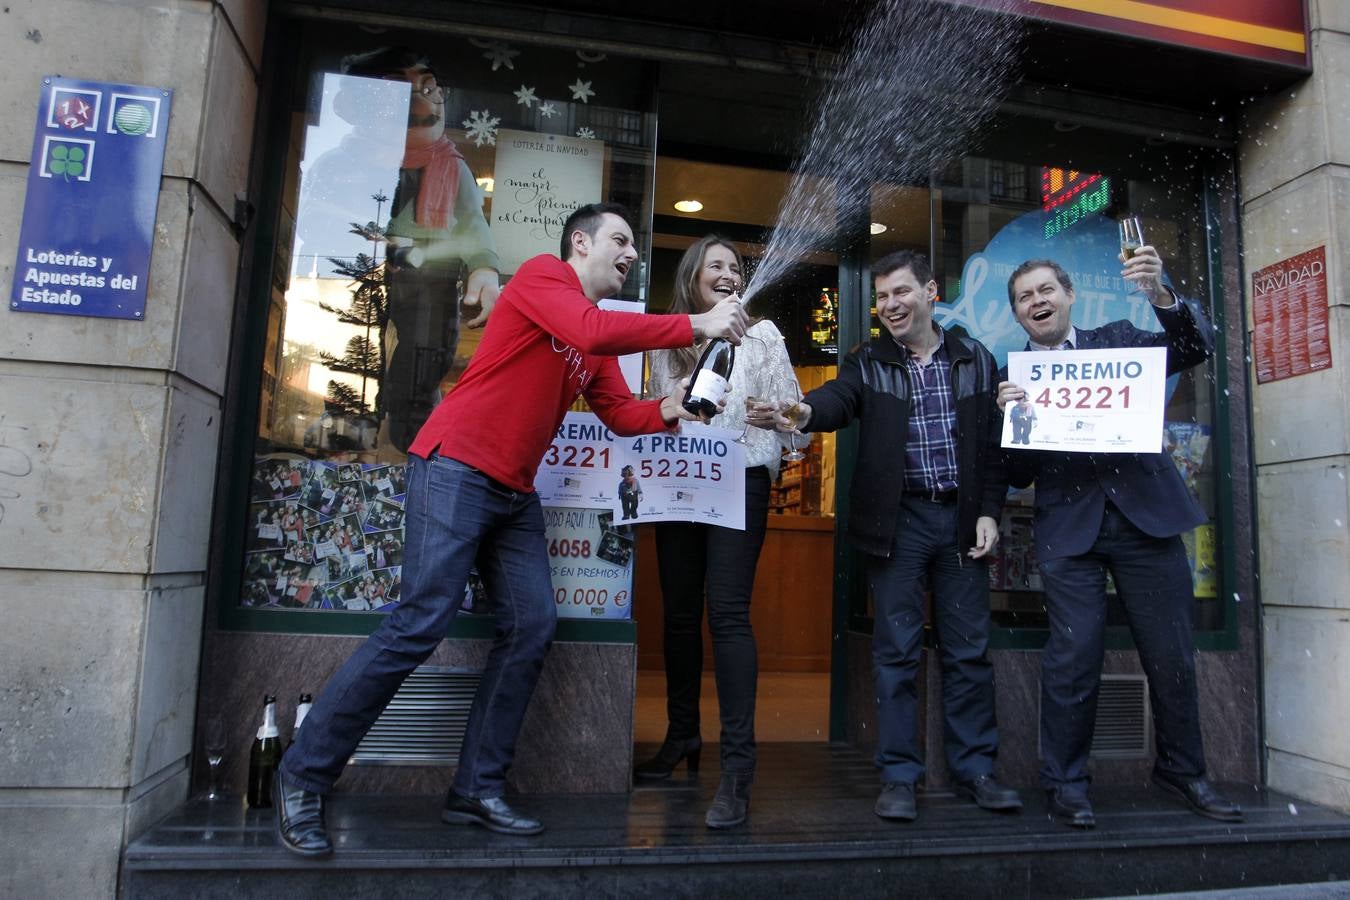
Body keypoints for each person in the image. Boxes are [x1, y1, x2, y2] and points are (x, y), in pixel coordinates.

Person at [273, 203, 750, 856]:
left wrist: (673, 406)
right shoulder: (542, 278)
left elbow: (616, 412)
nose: (631, 254)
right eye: (620, 241)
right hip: (457, 466)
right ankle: (302, 775)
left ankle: (476, 788)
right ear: (579, 243)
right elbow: (588, 326)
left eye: (634, 247)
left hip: (514, 491)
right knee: (420, 620)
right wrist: (697, 322)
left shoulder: (594, 335)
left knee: (531, 624)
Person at [767, 250, 1020, 822]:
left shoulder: (976, 359)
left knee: (969, 654)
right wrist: (804, 412)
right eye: (881, 297)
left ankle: (977, 771)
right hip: (897, 525)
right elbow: (838, 399)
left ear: (931, 291)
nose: (889, 305)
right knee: (896, 654)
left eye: (900, 292)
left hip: (961, 522)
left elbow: (994, 448)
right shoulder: (868, 361)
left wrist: (989, 510)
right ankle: (900, 776)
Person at [997, 249, 1242, 829]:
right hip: (1070, 531)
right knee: (1072, 658)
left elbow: (1195, 349)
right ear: (1017, 314)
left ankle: (1185, 772)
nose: (1037, 301)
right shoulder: (1014, 379)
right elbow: (1013, 475)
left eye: (1045, 290)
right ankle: (1066, 784)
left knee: (1172, 656)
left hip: (1146, 521)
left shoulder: (1119, 340)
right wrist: (1011, 422)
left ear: (1069, 294)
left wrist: (1161, 296)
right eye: (1025, 297)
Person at [636, 235, 809, 829]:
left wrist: (779, 416)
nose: (730, 274)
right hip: (677, 481)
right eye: (717, 266)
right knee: (679, 614)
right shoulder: (668, 336)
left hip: (740, 479)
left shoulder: (763, 337)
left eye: (736, 267)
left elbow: (799, 422)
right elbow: (647, 410)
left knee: (728, 613)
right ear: (693, 279)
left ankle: (738, 768)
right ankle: (682, 735)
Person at [302, 47, 502, 452]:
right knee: (356, 345)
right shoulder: (340, 165)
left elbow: (472, 222)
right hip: (361, 277)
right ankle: (352, 422)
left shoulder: (451, 166)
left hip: (431, 282)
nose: (420, 100)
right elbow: (316, 220)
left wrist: (483, 268)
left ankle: (414, 422)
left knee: (427, 352)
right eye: (399, 90)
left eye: (428, 87)